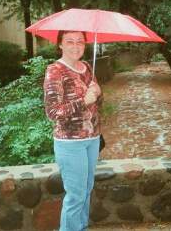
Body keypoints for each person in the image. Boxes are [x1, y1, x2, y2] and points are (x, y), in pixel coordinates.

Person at [43, 30, 102, 231]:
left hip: (92, 138)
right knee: (76, 195)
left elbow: (96, 103)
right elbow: (52, 112)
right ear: (60, 44)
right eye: (70, 41)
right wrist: (83, 101)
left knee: (86, 190)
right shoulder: (55, 70)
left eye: (80, 42)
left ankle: (81, 227)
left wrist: (98, 94)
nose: (76, 46)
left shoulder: (86, 67)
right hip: (69, 142)